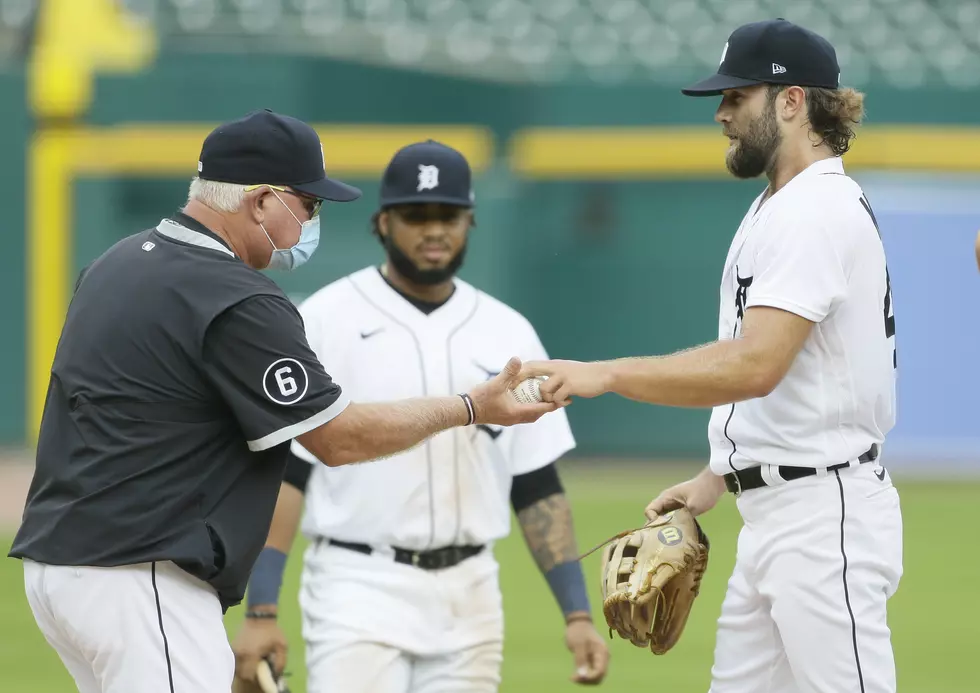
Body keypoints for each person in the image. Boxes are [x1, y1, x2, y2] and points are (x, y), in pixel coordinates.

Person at [8, 110, 559, 693]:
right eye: (308, 204)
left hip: (60, 566)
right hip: (143, 572)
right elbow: (336, 437)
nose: (311, 220)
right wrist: (470, 407)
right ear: (262, 200)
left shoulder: (112, 266)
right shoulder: (233, 294)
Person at [520, 19, 903, 693]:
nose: (722, 113)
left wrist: (606, 374)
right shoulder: (778, 206)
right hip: (779, 515)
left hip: (822, 516)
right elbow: (787, 384)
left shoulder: (813, 212)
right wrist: (718, 475)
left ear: (792, 102)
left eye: (737, 96)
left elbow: (755, 365)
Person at [230, 140, 610, 692]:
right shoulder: (327, 319)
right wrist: (262, 608)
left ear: (471, 221)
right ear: (382, 223)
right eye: (416, 215)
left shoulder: (508, 332)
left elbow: (536, 484)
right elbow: (288, 476)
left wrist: (577, 614)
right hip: (357, 583)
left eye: (449, 215)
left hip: (471, 591)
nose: (434, 230)